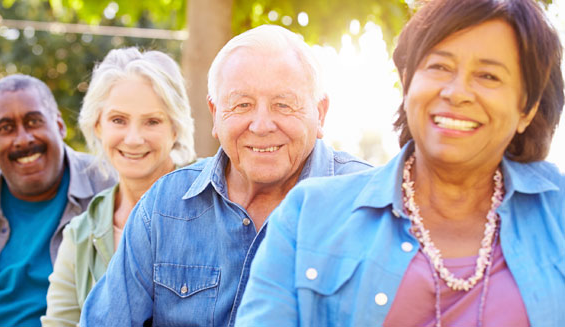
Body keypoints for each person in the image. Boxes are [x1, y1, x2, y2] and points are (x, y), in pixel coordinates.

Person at [236, 0, 565, 326]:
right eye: (440, 66)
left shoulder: (557, 214)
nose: (457, 92)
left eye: (488, 75)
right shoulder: (307, 216)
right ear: (406, 81)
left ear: (528, 108)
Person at [80, 25, 372, 326]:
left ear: (320, 113)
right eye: (242, 104)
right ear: (215, 113)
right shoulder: (164, 207)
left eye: (283, 105)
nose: (261, 125)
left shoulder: (370, 205)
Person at [0, 74, 115, 327]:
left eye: (34, 121)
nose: (23, 139)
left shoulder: (111, 186)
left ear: (60, 126)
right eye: (6, 128)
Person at [41, 48, 195, 326]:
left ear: (175, 128)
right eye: (118, 120)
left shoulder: (215, 209)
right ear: (97, 125)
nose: (133, 139)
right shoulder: (79, 236)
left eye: (152, 121)